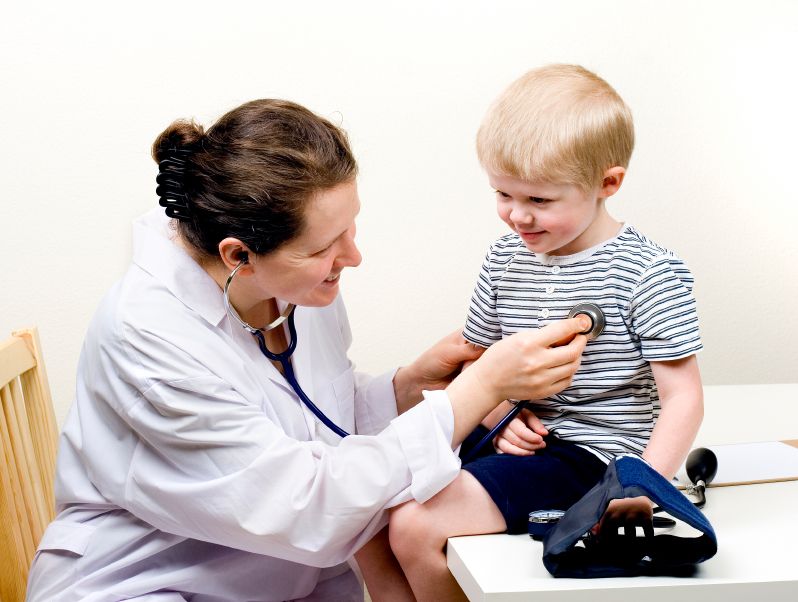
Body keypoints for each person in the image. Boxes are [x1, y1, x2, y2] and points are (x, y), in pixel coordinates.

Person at [25, 98, 592, 602]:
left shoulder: (293, 288)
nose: (354, 256)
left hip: (276, 577)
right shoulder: (148, 337)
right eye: (325, 245)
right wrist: (481, 388)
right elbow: (308, 503)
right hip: (145, 580)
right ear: (238, 255)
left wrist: (409, 387)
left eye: (352, 228)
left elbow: (311, 418)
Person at [387, 64, 705, 600]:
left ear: (608, 183)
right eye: (502, 194)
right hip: (511, 442)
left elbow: (683, 397)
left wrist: (641, 486)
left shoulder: (649, 272)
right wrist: (498, 414)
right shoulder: (504, 257)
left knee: (414, 525)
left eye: (539, 201)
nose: (516, 216)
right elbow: (477, 363)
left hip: (595, 456)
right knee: (363, 510)